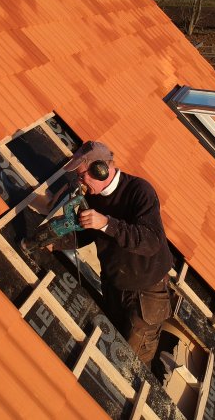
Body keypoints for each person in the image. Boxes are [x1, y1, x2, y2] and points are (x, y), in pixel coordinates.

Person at [52, 141, 174, 366]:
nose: (80, 182)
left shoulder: (139, 191)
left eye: (82, 176)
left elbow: (150, 241)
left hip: (145, 295)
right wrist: (54, 242)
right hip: (113, 287)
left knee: (130, 365)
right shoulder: (93, 197)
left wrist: (107, 223)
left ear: (101, 170)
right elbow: (85, 232)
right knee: (106, 350)